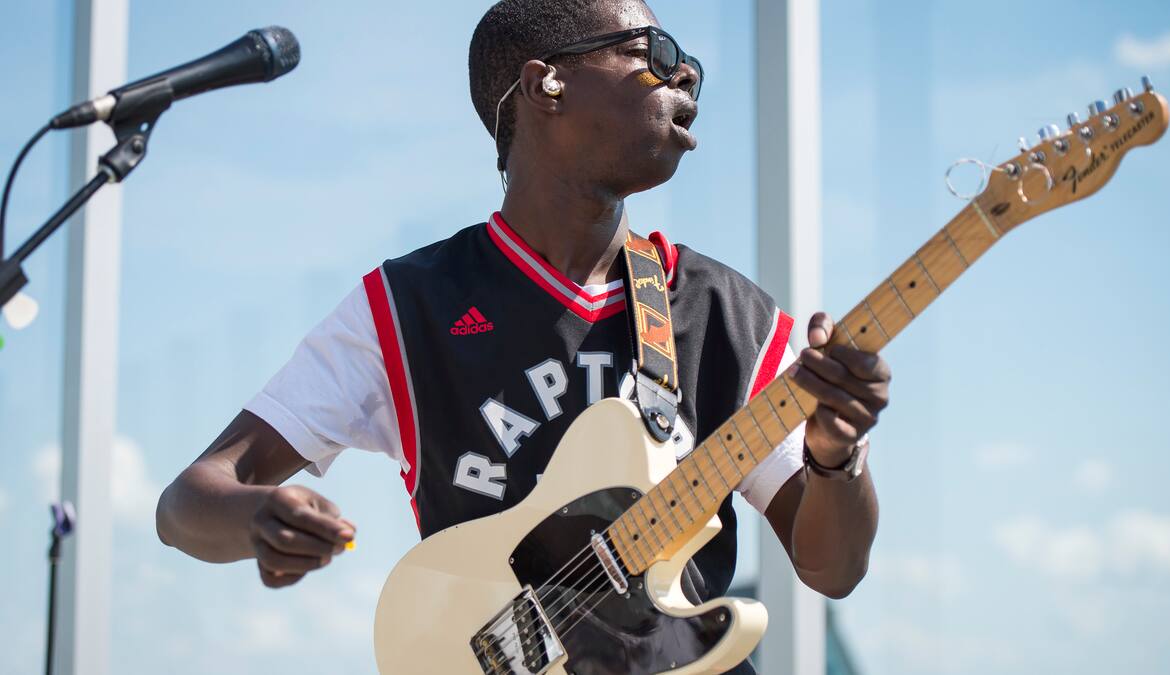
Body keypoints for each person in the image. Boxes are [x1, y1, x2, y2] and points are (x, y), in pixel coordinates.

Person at [156, 0, 888, 671]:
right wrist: (259, 516)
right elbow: (188, 501)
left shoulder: (724, 312)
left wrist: (837, 456)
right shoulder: (408, 305)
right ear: (547, 85)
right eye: (655, 54)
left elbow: (834, 568)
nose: (687, 73)